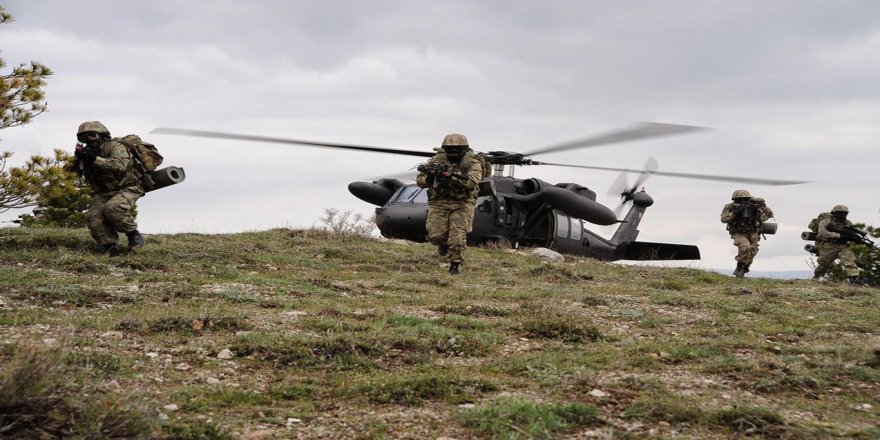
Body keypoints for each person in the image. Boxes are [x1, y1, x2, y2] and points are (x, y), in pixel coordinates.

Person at [67, 121, 145, 256]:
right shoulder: (85, 154)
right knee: (93, 218)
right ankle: (109, 246)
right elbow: (69, 175)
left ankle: (133, 235)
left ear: (102, 135)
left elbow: (119, 165)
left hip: (127, 187)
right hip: (102, 193)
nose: (88, 140)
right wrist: (76, 162)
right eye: (84, 137)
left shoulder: (115, 146)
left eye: (92, 135)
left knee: (114, 208)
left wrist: (93, 158)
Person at [416, 133, 485, 274]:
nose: (453, 152)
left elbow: (472, 181)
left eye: (457, 149)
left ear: (464, 149)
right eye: (449, 149)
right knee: (435, 235)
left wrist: (451, 177)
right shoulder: (437, 160)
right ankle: (442, 244)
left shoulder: (472, 162)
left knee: (458, 237)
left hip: (463, 203)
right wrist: (429, 178)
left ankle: (455, 265)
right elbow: (419, 180)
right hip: (439, 201)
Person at [720, 189, 773, 278]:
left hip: (753, 233)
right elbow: (724, 219)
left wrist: (763, 206)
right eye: (739, 200)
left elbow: (769, 215)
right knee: (745, 247)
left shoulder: (754, 207)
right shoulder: (729, 207)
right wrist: (735, 212)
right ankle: (739, 266)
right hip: (738, 232)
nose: (742, 202)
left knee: (752, 251)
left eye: (745, 200)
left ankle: (744, 267)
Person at [812, 205, 860, 283]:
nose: (842, 215)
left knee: (850, 261)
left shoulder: (847, 223)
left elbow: (851, 233)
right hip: (828, 245)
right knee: (823, 264)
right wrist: (839, 236)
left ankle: (853, 279)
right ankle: (817, 277)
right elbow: (822, 233)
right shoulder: (826, 221)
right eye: (840, 213)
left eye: (845, 213)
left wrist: (853, 238)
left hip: (843, 245)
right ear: (834, 213)